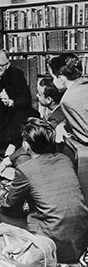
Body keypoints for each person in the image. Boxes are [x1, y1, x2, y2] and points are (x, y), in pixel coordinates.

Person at [0, 117, 88, 263]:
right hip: (80, 239)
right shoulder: (65, 159)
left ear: (26, 145)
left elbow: (9, 208)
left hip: (50, 243)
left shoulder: (25, 170)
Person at [0, 77, 65, 173]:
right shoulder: (58, 110)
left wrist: (7, 161)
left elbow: (33, 142)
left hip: (51, 156)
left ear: (49, 99)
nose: (36, 95)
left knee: (21, 160)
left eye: (40, 94)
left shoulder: (56, 118)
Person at [48, 53, 88, 204]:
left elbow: (85, 136)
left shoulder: (67, 100)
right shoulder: (85, 83)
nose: (53, 81)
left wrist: (69, 131)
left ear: (61, 78)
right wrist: (63, 124)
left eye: (53, 77)